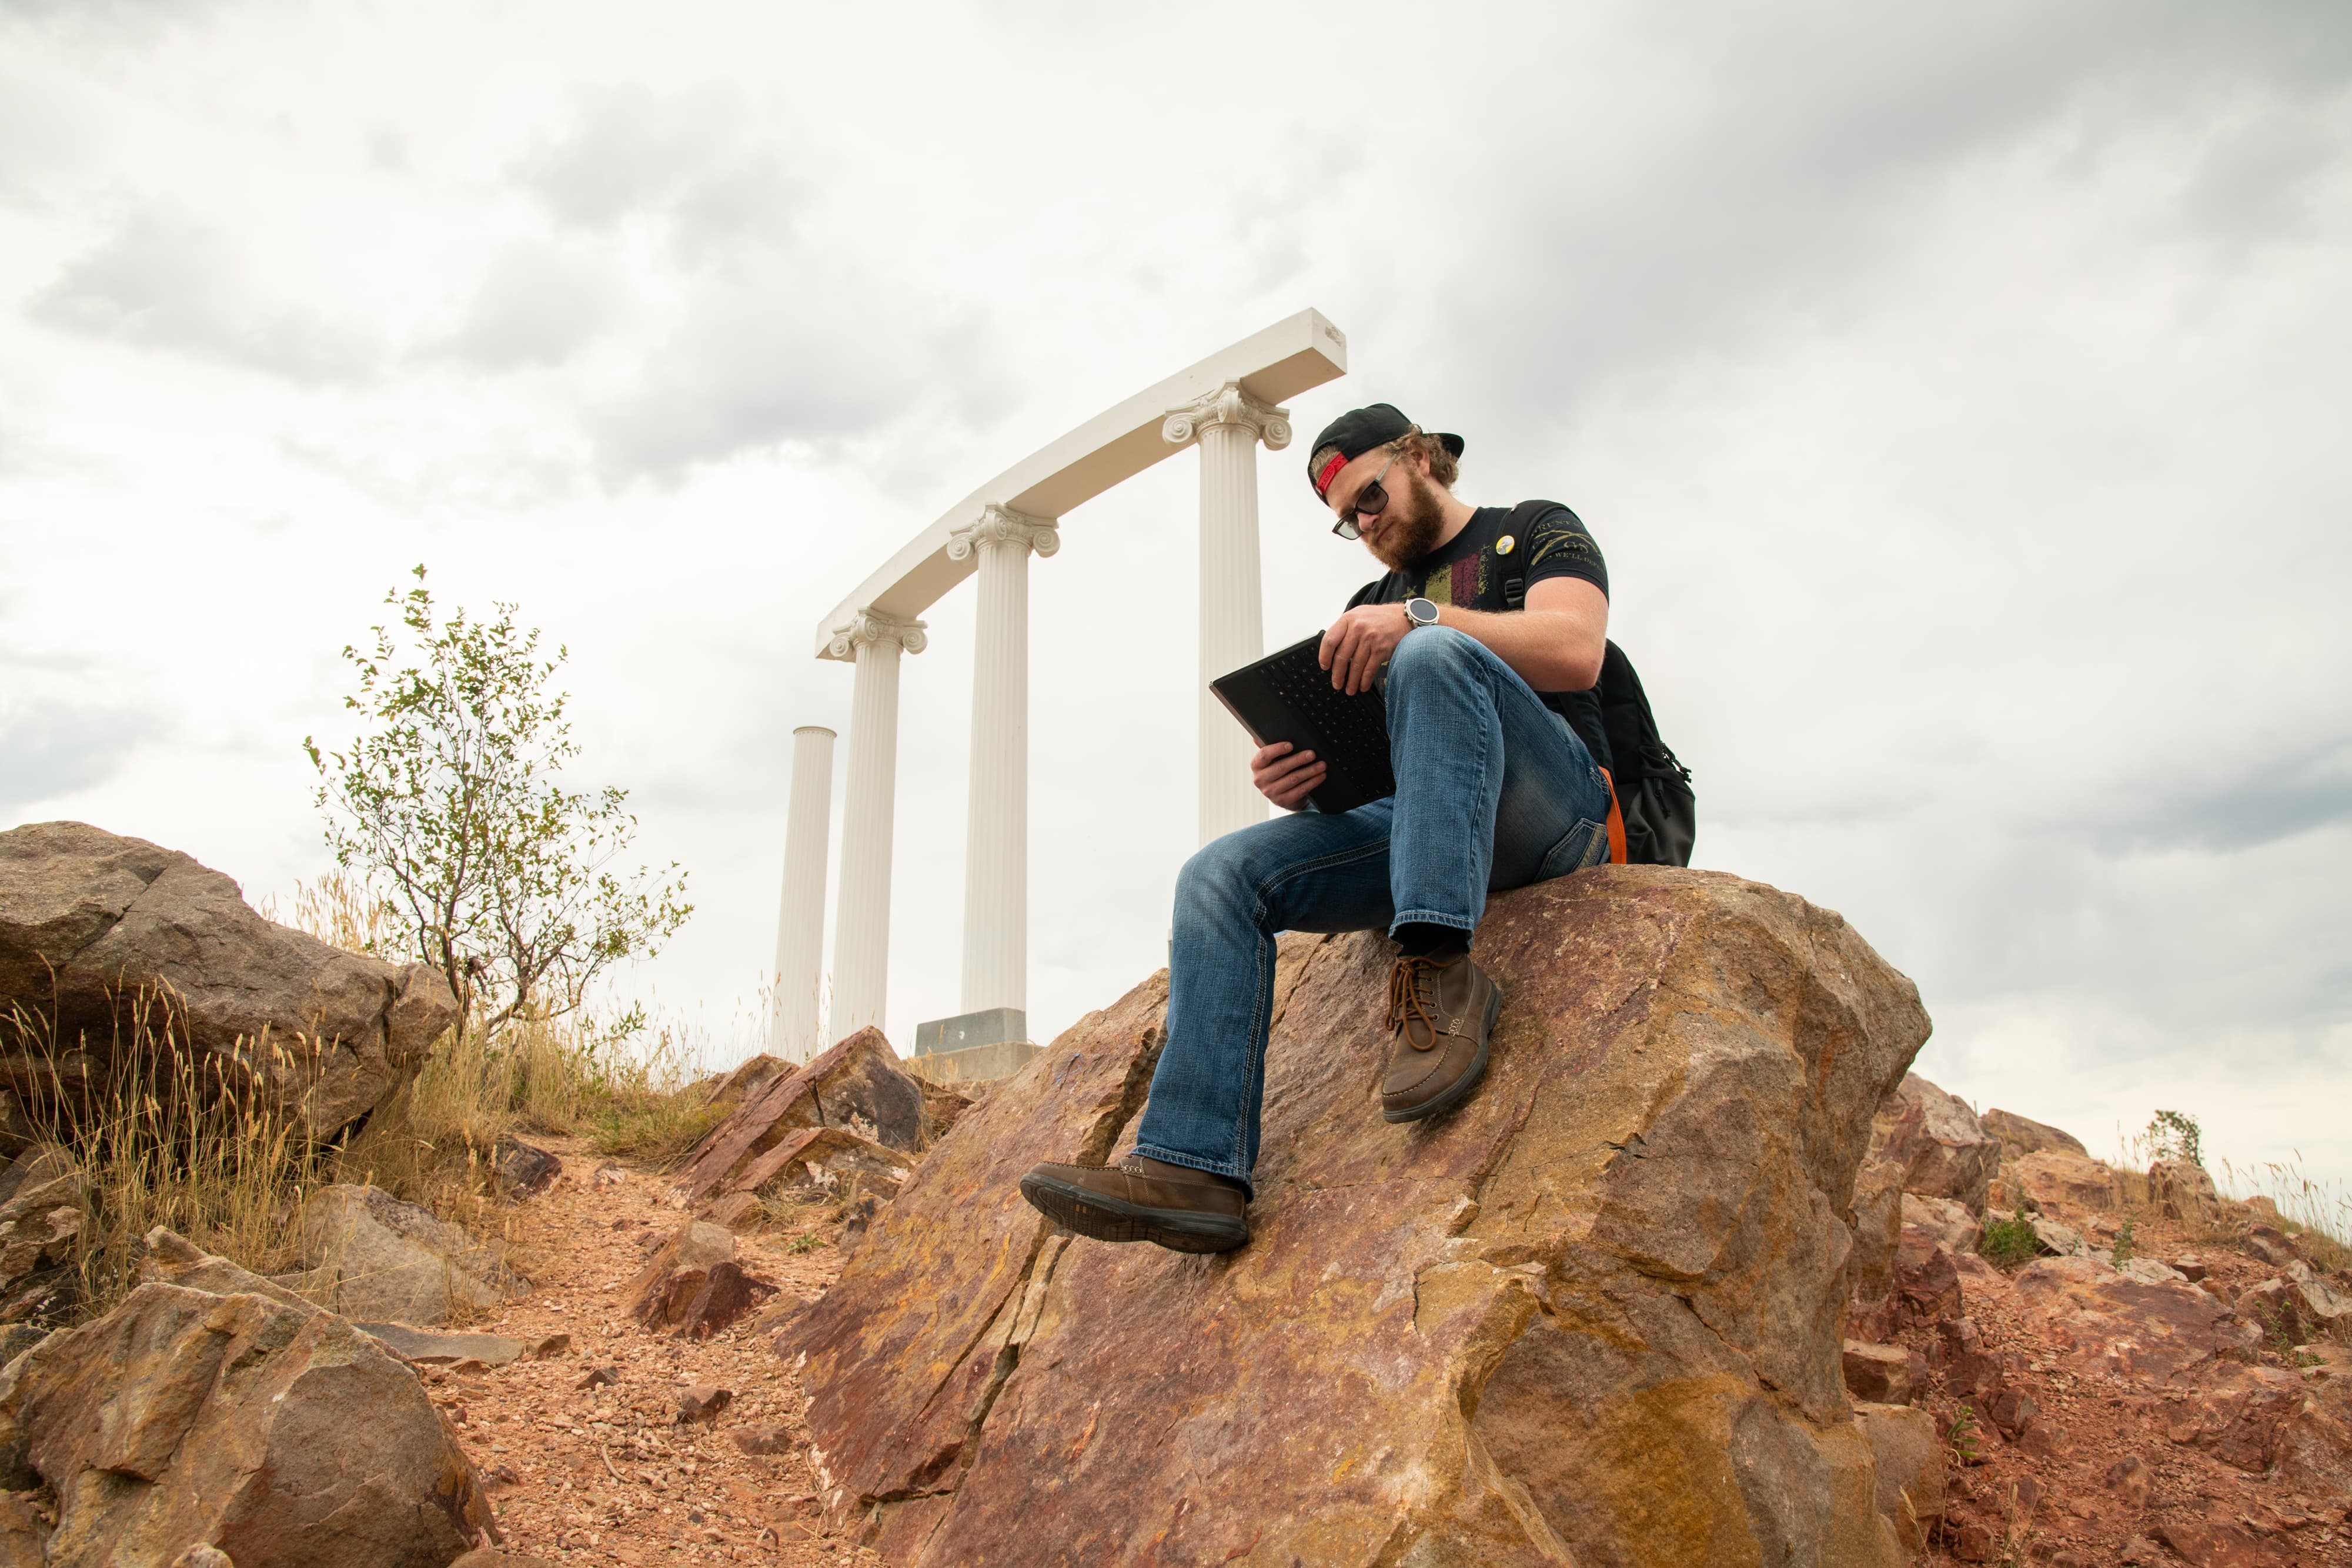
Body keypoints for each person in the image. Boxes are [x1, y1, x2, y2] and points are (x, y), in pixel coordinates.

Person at [1018, 403, 1615, 1252]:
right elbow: (1376, 768)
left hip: (1552, 814)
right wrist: (1302, 787)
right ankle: (1195, 1169)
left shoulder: (1532, 531)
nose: (1365, 527)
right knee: (1217, 876)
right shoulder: (1369, 600)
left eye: (1370, 499)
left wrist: (1422, 623)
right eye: (1347, 523)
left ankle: (1439, 971)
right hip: (1419, 824)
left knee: (1433, 654)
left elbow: (1575, 648)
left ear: (1419, 457)